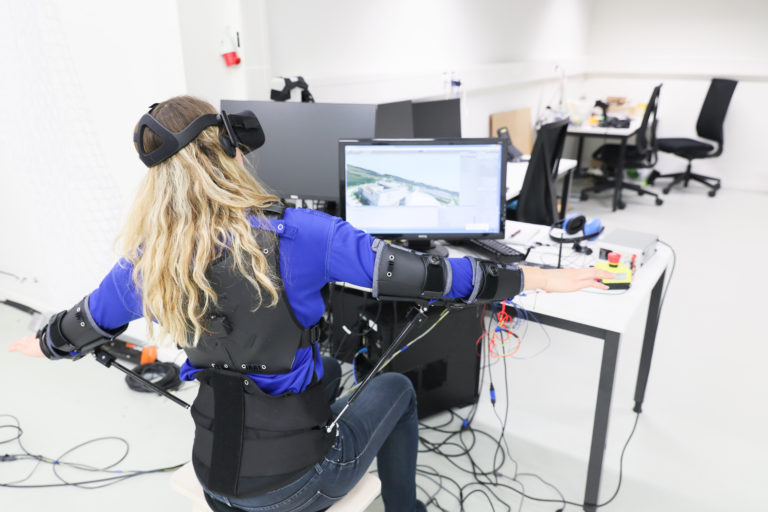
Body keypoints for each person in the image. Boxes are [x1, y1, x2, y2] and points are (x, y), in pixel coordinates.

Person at [8, 96, 614, 512]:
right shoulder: (303, 234)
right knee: (397, 390)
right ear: (232, 152)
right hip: (293, 489)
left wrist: (39, 342)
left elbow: (80, 325)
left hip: (213, 477)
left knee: (329, 373)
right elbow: (436, 277)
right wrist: (531, 276)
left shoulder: (150, 256)